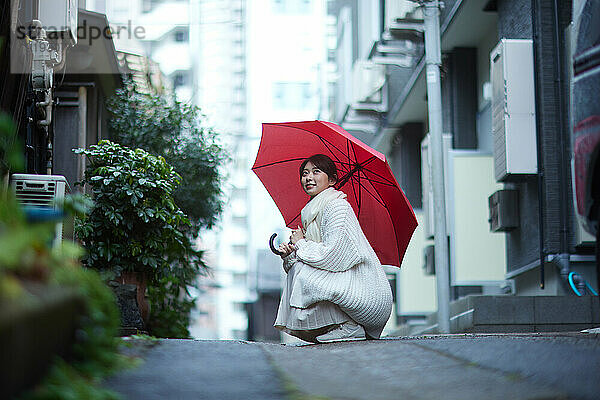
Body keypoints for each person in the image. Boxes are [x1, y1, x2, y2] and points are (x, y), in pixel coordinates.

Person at [274, 154, 393, 343]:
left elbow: (332, 255)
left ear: (332, 180)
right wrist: (290, 254)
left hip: (366, 293)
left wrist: (301, 244)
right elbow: (304, 261)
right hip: (346, 284)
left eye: (316, 172)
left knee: (305, 276)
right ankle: (339, 326)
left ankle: (349, 326)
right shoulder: (313, 211)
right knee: (298, 270)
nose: (308, 178)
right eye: (305, 173)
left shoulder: (337, 207)